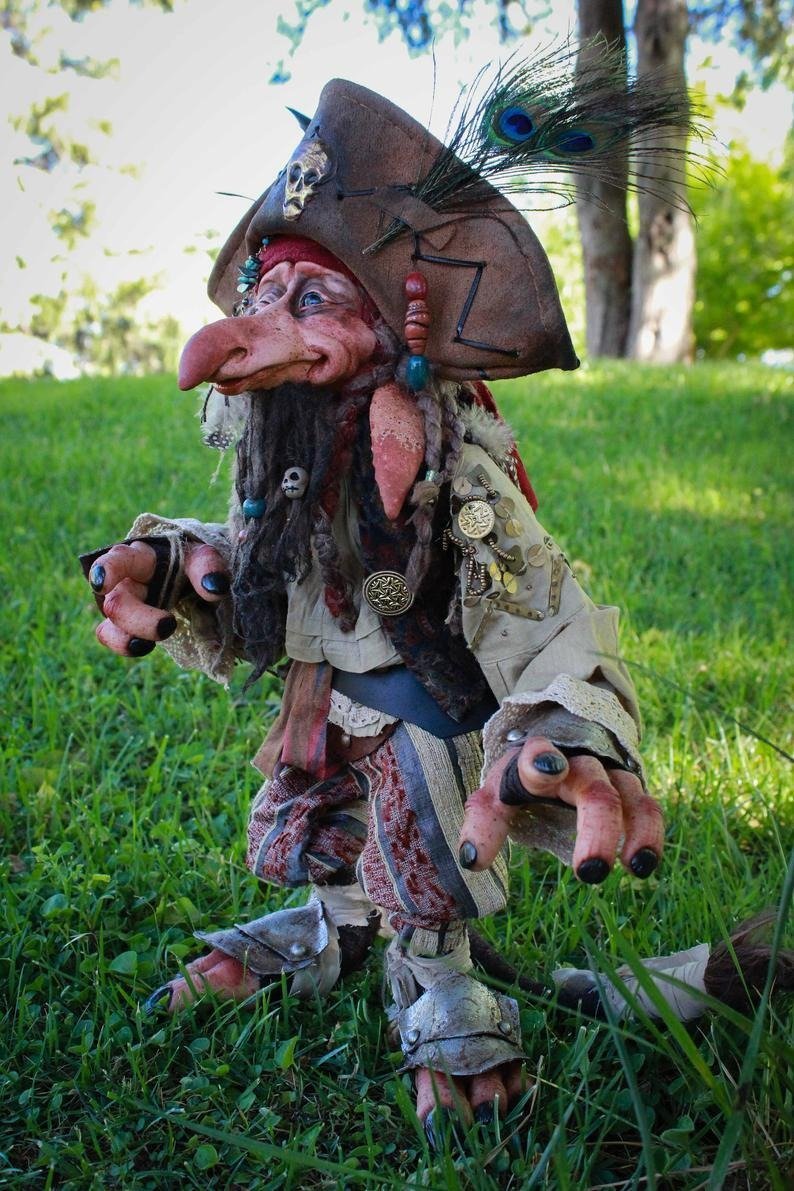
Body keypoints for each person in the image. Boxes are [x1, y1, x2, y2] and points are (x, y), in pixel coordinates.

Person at [81, 63, 788, 1143]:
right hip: (323, 708)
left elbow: (542, 612)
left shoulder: (452, 476)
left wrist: (563, 732)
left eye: (308, 301)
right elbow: (255, 568)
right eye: (261, 296)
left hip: (421, 719)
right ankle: (333, 929)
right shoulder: (286, 456)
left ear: (393, 328)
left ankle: (441, 974)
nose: (252, 328)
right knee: (323, 823)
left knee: (419, 840)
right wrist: (170, 566)